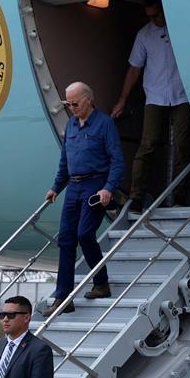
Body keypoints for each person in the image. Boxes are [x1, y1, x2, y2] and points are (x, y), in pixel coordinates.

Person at [39, 81, 125, 315]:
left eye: (74, 103)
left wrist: (108, 188)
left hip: (95, 185)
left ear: (88, 100)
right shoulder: (71, 125)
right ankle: (63, 298)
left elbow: (118, 161)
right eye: (68, 104)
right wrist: (56, 187)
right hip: (74, 187)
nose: (71, 107)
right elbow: (65, 161)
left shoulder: (104, 124)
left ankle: (101, 282)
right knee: (66, 240)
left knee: (85, 234)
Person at [112, 0, 190, 212]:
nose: (154, 20)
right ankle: (136, 197)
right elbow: (134, 68)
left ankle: (180, 197)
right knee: (147, 144)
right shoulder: (144, 34)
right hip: (155, 96)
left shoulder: (183, 29)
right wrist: (122, 100)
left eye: (156, 15)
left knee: (182, 146)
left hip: (183, 94)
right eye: (150, 16)